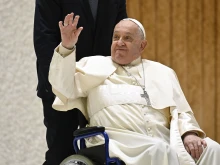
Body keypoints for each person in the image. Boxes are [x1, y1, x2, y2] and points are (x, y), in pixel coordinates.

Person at [49, 14, 220, 165]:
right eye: (116, 37)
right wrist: (67, 46)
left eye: (128, 38)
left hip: (164, 139)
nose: (120, 43)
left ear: (142, 46)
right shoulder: (92, 65)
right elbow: (62, 86)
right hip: (117, 141)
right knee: (159, 150)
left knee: (211, 149)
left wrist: (189, 133)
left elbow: (181, 111)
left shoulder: (163, 72)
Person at [33, 0, 127, 164]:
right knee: (61, 151)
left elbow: (122, 31)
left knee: (101, 151)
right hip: (60, 88)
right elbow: (44, 39)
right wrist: (58, 82)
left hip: (100, 84)